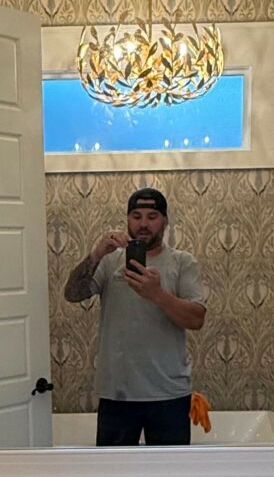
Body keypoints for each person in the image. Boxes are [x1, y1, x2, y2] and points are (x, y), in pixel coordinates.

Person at [63, 186, 206, 445]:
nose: (143, 224)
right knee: (113, 470)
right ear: (127, 219)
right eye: (136, 216)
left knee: (168, 470)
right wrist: (96, 253)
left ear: (165, 221)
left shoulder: (183, 262)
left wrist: (157, 294)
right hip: (117, 393)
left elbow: (196, 319)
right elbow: (72, 294)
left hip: (169, 394)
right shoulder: (109, 261)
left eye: (152, 216)